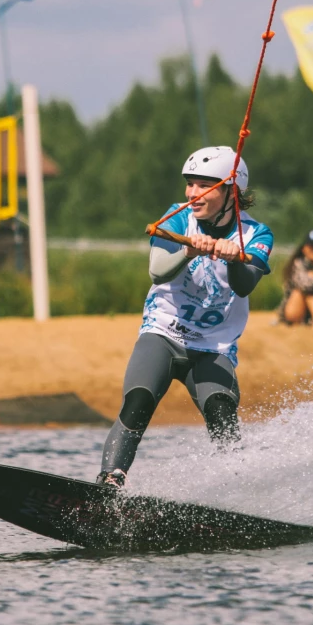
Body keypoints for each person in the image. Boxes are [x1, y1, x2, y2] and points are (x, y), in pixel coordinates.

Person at [97, 146, 274, 489]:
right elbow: (157, 271)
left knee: (221, 412)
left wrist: (233, 259)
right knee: (138, 401)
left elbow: (244, 286)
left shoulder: (257, 235)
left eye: (204, 186)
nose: (193, 193)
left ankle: (241, 492)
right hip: (163, 333)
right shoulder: (178, 217)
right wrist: (189, 250)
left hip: (213, 347)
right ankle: (110, 481)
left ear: (230, 192)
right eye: (190, 184)